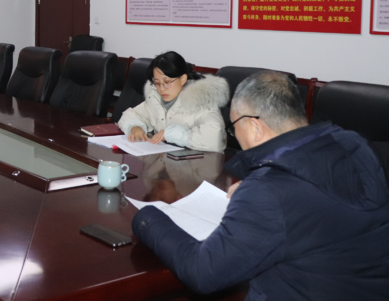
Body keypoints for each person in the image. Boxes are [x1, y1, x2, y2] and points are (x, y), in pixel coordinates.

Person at [133, 71, 389, 300]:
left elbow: (203, 273)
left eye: (234, 127)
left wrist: (148, 217)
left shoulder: (268, 192)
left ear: (255, 127)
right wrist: (260, 184)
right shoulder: (354, 144)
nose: (235, 135)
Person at [117, 51, 228, 152]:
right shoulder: (155, 98)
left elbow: (215, 140)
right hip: (165, 159)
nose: (162, 88)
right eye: (157, 83)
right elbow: (132, 114)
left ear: (183, 79)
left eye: (167, 82)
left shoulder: (202, 101)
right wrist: (135, 127)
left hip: (199, 164)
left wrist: (172, 134)